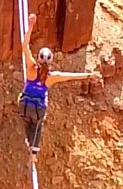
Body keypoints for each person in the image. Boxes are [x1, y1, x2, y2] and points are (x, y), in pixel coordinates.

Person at [18, 13, 100, 160]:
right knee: (37, 126)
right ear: (50, 62)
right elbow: (70, 76)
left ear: (38, 58)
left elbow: (25, 46)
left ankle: (29, 143)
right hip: (38, 108)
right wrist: (89, 75)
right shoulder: (51, 77)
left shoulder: (31, 68)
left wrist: (31, 26)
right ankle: (33, 153)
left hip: (24, 105)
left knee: (27, 122)